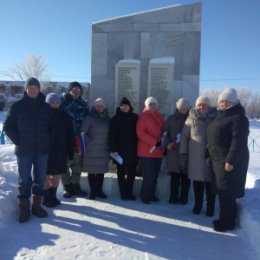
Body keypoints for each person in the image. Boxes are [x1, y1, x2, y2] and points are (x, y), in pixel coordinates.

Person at [3, 77, 53, 223]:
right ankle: (24, 209)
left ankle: (37, 206)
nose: (33, 90)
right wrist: (19, 141)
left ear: (39, 89)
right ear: (26, 89)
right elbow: (7, 127)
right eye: (30, 88)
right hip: (24, 150)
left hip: (42, 150)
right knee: (24, 179)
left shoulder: (46, 108)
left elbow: (52, 127)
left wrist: (46, 140)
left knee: (39, 178)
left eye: (35, 88)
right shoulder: (17, 106)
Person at [207, 88, 249, 232]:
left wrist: (231, 160)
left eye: (226, 101)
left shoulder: (239, 118)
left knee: (227, 191)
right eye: (221, 101)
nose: (223, 103)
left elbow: (239, 142)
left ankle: (227, 223)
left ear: (234, 101)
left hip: (228, 161)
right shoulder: (221, 116)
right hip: (217, 159)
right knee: (222, 191)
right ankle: (224, 218)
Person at [179, 96, 216, 216]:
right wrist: (183, 152)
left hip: (210, 156)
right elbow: (184, 136)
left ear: (208, 106)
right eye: (199, 105)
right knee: (197, 183)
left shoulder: (215, 117)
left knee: (210, 184)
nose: (201, 107)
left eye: (203, 105)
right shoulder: (191, 118)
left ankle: (210, 207)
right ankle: (198, 205)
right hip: (195, 156)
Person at [43, 93, 74, 208]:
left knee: (56, 175)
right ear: (47, 102)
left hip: (60, 150)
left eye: (57, 102)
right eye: (52, 102)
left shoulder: (65, 115)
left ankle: (53, 196)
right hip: (46, 150)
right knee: (46, 175)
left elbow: (70, 133)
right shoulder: (43, 115)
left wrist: (70, 149)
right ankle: (46, 198)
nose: (55, 104)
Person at [61, 81, 89, 198]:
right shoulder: (63, 102)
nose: (76, 91)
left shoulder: (83, 104)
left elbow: (87, 120)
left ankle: (75, 186)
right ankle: (67, 188)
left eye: (78, 89)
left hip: (78, 139)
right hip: (65, 138)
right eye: (74, 89)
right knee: (65, 165)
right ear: (70, 90)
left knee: (77, 164)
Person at [109, 97, 139, 200]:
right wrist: (113, 150)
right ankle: (123, 193)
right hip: (119, 151)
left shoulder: (135, 117)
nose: (124, 107)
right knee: (120, 173)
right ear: (119, 107)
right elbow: (112, 136)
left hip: (132, 151)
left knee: (131, 173)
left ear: (130, 106)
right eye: (122, 106)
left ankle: (129, 192)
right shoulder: (115, 119)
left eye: (126, 105)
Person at [81, 98, 110, 200]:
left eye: (101, 105)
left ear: (104, 106)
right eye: (97, 105)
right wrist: (88, 143)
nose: (100, 107)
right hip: (91, 150)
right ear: (94, 106)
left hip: (103, 149)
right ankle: (93, 191)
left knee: (101, 172)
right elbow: (82, 133)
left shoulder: (107, 119)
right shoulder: (89, 118)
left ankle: (99, 191)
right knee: (92, 172)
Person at [136, 96, 165, 204]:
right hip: (147, 151)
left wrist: (163, 139)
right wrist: (154, 142)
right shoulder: (143, 117)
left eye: (154, 104)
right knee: (148, 175)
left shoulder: (160, 117)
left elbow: (163, 131)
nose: (152, 106)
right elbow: (140, 133)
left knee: (155, 175)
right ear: (147, 106)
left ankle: (152, 194)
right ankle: (145, 195)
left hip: (158, 152)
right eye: (150, 104)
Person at [163, 98, 191, 205]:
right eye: (181, 108)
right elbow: (164, 134)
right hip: (174, 152)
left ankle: (184, 199)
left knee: (186, 177)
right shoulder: (171, 119)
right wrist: (168, 144)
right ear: (177, 108)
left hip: (187, 152)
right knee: (174, 177)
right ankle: (173, 198)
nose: (183, 110)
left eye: (185, 108)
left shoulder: (192, 118)